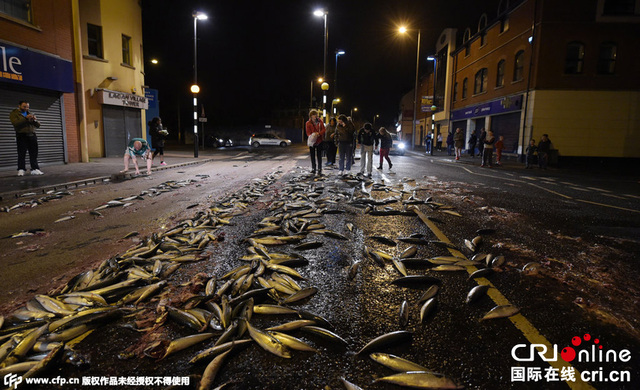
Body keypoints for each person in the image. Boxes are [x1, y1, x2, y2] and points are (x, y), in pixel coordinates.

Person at [9, 100, 43, 176]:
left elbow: (38, 125)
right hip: (21, 136)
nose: (26, 108)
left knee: (33, 153)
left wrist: (35, 120)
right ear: (19, 106)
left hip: (32, 135)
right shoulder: (14, 113)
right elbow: (15, 123)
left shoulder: (29, 113)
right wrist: (25, 118)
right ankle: (21, 169)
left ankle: (35, 169)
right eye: (24, 106)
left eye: (27, 107)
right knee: (21, 153)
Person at [305, 110, 326, 175]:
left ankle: (319, 168)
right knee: (312, 155)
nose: (315, 116)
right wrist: (313, 135)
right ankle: (313, 168)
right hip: (312, 141)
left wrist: (319, 133)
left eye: (316, 115)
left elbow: (324, 129)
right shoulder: (308, 123)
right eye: (314, 115)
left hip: (319, 140)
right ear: (311, 116)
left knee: (319, 155)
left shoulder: (320, 121)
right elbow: (308, 132)